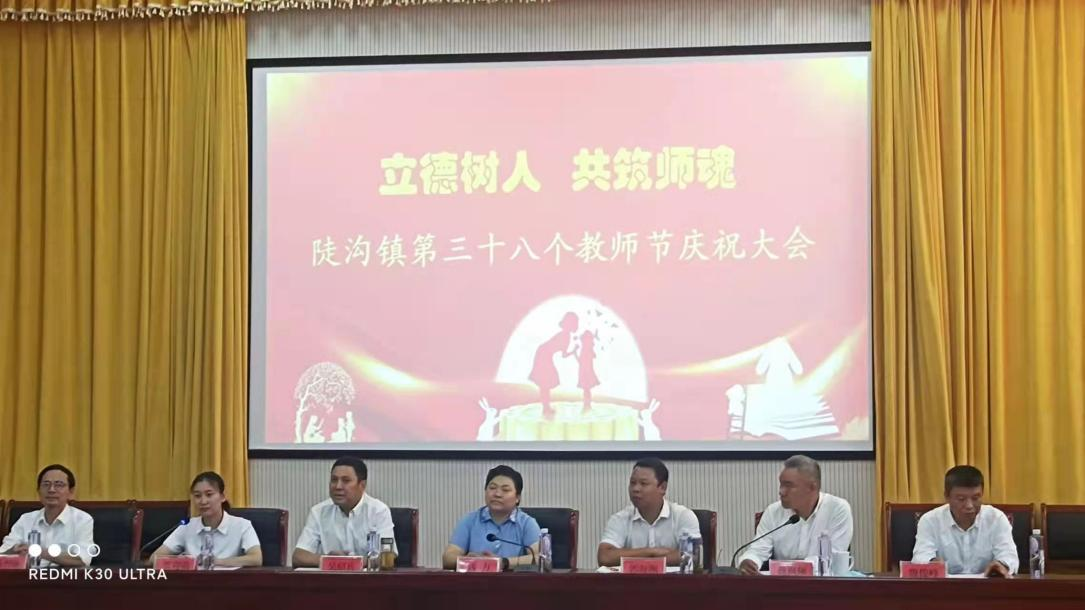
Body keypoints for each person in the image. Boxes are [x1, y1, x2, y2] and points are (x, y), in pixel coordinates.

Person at [737, 455, 853, 575]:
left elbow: (833, 559)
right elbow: (758, 550)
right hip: (781, 584)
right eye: (781, 484)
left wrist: (791, 567)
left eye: (788, 485)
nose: (781, 491)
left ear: (812, 487)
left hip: (822, 584)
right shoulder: (773, 512)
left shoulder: (837, 509)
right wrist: (749, 561)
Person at [911, 465, 1018, 576]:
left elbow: (1009, 557)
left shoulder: (996, 518)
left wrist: (1001, 565)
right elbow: (920, 557)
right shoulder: (930, 521)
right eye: (961, 499)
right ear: (947, 496)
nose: (969, 505)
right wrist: (932, 563)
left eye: (975, 498)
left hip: (986, 585)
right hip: (944, 585)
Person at [291, 457, 396, 567]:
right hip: (331, 577)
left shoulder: (378, 511)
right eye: (334, 480)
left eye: (346, 481)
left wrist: (346, 562)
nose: (338, 486)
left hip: (366, 577)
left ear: (362, 485)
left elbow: (387, 557)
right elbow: (298, 557)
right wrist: (329, 560)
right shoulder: (318, 512)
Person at [597, 457, 700, 567]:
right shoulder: (620, 519)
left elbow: (692, 556)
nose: (636, 489)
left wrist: (634, 557)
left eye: (643, 483)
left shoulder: (683, 516)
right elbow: (605, 557)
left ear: (663, 487)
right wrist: (652, 552)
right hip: (633, 578)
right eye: (632, 483)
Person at [150, 471, 262, 567]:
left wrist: (217, 562)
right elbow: (153, 559)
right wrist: (185, 562)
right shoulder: (187, 526)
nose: (203, 501)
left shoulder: (242, 525)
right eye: (197, 496)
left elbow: (256, 558)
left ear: (222, 497)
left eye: (209, 494)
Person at [442, 465, 540, 571]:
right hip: (476, 580)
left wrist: (503, 562)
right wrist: (470, 560)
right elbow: (448, 559)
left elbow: (540, 559)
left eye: (505, 490)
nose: (497, 494)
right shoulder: (469, 521)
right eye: (492, 488)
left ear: (517, 498)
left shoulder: (527, 524)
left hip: (513, 581)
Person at [0, 464, 95, 567]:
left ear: (71, 492)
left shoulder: (82, 520)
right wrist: (13, 550)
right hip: (28, 576)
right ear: (38, 491)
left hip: (63, 576)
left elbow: (83, 559)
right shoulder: (26, 519)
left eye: (59, 484)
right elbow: (2, 554)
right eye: (46, 484)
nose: (51, 490)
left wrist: (40, 552)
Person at [529, 312, 578, 414]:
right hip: (543, 354)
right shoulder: (565, 336)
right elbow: (564, 354)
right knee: (545, 382)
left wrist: (573, 351)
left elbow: (563, 354)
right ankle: (546, 407)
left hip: (544, 354)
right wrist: (573, 351)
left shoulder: (565, 335)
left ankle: (546, 407)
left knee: (546, 382)